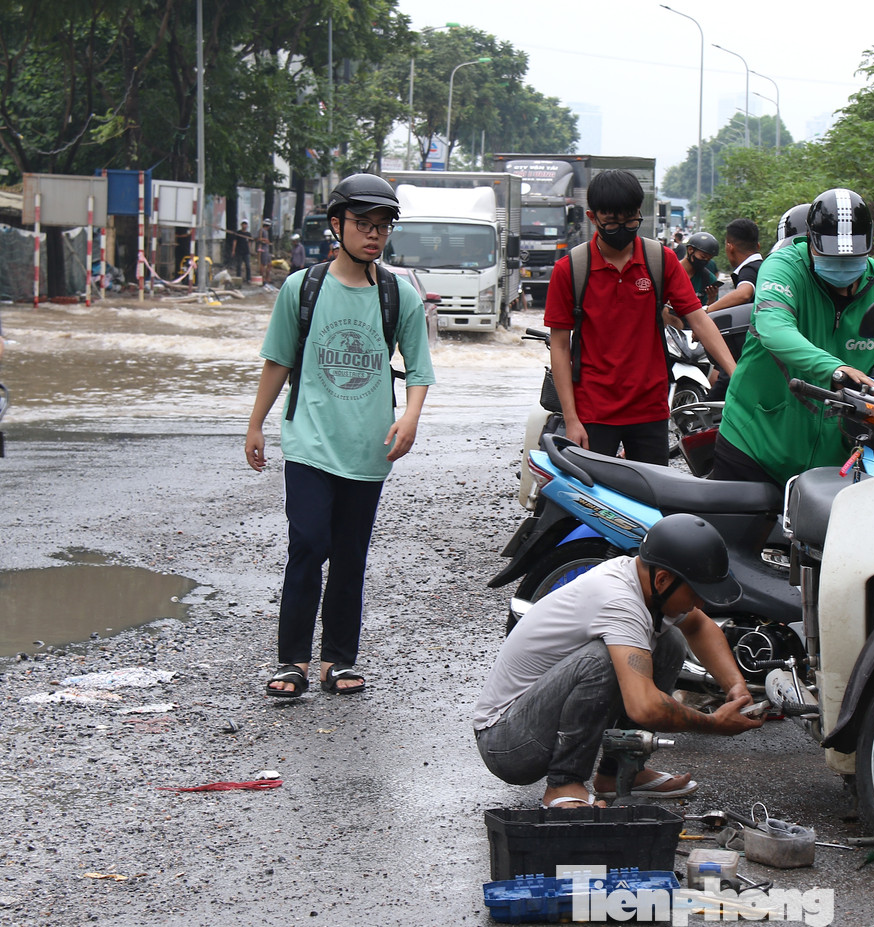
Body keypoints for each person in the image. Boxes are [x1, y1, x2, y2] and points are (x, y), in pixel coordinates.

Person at [246, 173, 435, 698]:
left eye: (382, 226)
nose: (373, 235)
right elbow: (278, 360)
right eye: (363, 224)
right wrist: (256, 422)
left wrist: (411, 418)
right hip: (308, 442)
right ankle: (293, 661)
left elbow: (419, 369)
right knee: (308, 544)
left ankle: (337, 660)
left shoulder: (399, 295)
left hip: (368, 447)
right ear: (337, 225)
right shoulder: (301, 288)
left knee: (351, 554)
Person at [472, 514, 762, 808]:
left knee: (670, 641)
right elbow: (645, 706)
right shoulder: (617, 600)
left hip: (533, 725)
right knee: (602, 660)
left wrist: (735, 687)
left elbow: (699, 627)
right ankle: (564, 784)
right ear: (663, 580)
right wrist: (713, 723)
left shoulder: (643, 580)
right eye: (697, 594)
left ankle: (621, 772)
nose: (700, 604)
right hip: (507, 743)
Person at [710, 187, 874, 486]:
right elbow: (774, 328)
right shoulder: (783, 268)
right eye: (829, 254)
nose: (843, 263)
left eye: (855, 256)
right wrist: (835, 369)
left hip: (835, 458)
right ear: (811, 242)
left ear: (870, 246)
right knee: (732, 532)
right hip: (754, 440)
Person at [544, 169, 736, 465]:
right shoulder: (570, 270)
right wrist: (571, 418)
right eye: (611, 222)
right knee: (592, 502)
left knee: (651, 501)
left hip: (649, 409)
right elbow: (559, 346)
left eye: (630, 220)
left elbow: (698, 319)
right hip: (593, 412)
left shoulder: (660, 260)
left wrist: (735, 374)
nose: (622, 228)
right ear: (592, 217)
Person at [705, 218, 763, 312]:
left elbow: (743, 294)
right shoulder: (765, 267)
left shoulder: (748, 270)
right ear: (758, 246)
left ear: (730, 247)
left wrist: (707, 310)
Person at [680, 231, 722, 307]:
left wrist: (711, 300)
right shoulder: (670, 271)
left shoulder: (709, 279)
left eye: (709, 259)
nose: (705, 261)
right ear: (690, 250)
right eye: (703, 257)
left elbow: (708, 314)